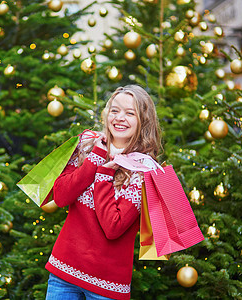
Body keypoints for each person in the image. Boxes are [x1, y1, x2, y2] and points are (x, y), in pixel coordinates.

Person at [45, 85, 162, 300]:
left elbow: (113, 227)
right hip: (63, 272)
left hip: (106, 286)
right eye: (115, 110)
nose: (120, 118)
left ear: (143, 121)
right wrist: (95, 159)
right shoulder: (86, 145)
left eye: (130, 113)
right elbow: (60, 197)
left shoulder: (144, 170)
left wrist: (103, 177)